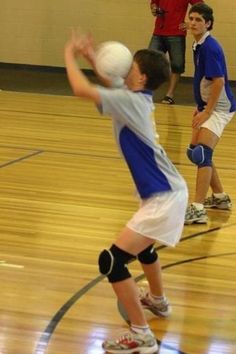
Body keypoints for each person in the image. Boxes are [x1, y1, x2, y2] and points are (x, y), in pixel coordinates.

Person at [64, 30, 188, 354]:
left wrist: (68, 54)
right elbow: (111, 82)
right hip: (165, 193)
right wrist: (92, 57)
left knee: (111, 261)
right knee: (143, 250)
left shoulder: (130, 100)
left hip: (164, 198)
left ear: (141, 76)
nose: (126, 68)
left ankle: (141, 334)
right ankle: (158, 301)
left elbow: (80, 88)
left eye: (131, 65)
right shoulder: (136, 96)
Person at [184, 3, 236, 225]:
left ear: (208, 24)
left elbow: (219, 81)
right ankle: (220, 198)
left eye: (198, 20)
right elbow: (203, 81)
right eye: (191, 18)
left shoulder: (210, 47)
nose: (194, 22)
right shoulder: (198, 44)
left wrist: (208, 111)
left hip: (220, 108)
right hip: (208, 105)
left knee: (202, 154)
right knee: (194, 152)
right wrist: (200, 104)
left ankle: (197, 209)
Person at [149, 0, 203, 104]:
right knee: (149, 62)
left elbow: (201, 7)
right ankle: (146, 91)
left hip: (176, 33)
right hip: (159, 31)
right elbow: (154, 3)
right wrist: (154, 9)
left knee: (177, 64)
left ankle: (169, 95)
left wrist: (190, 24)